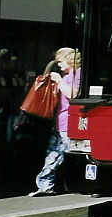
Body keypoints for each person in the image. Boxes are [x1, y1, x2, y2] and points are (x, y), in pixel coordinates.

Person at [29, 47, 80, 196]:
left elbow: (73, 94)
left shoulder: (76, 74)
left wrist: (58, 80)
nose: (59, 65)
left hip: (68, 122)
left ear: (70, 60)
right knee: (54, 153)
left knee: (58, 153)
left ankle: (47, 184)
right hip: (61, 122)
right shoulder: (67, 75)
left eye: (60, 61)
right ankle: (46, 184)